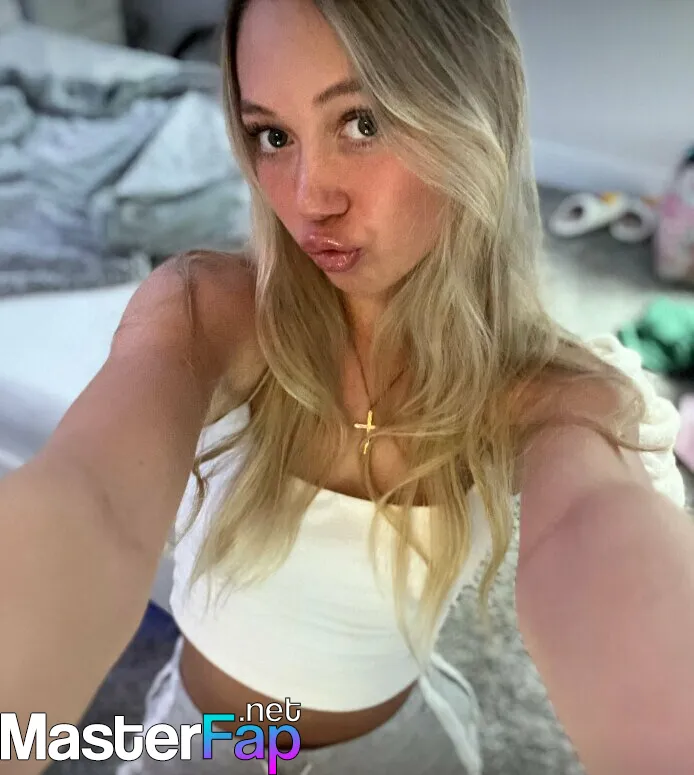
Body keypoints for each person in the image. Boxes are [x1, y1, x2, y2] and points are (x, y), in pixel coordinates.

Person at [2, 0, 694, 773]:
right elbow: (90, 501)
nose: (310, 198)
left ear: (473, 115)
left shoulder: (549, 393)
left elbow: (597, 541)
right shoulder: (207, 314)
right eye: (273, 136)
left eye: (362, 123)